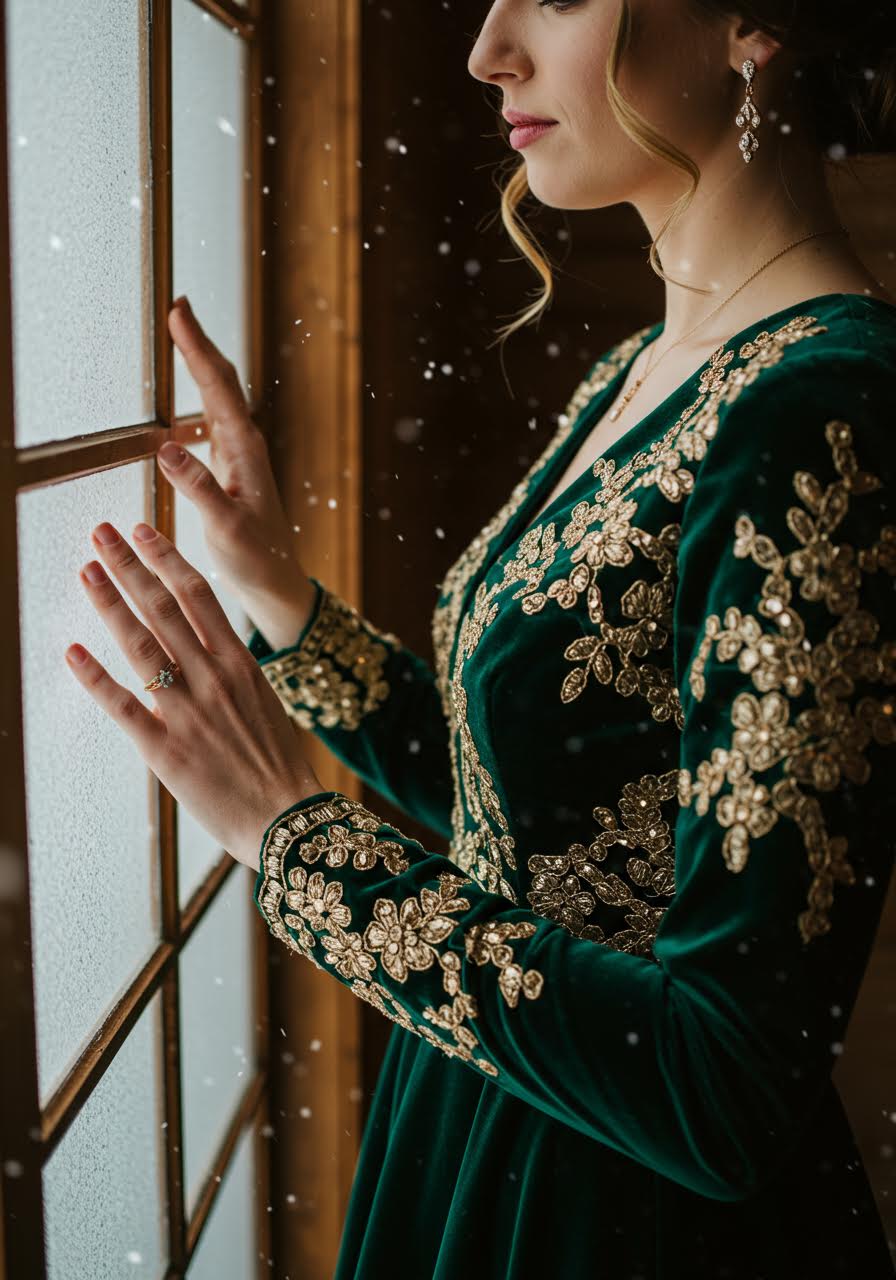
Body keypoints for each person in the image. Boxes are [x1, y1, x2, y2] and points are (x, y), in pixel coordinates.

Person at [70, 1, 896, 1276]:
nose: (485, 49)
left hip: (620, 1207)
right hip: (486, 1123)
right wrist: (279, 598)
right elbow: (537, 809)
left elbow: (722, 1076)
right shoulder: (647, 365)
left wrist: (292, 840)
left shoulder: (819, 408)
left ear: (752, 22)